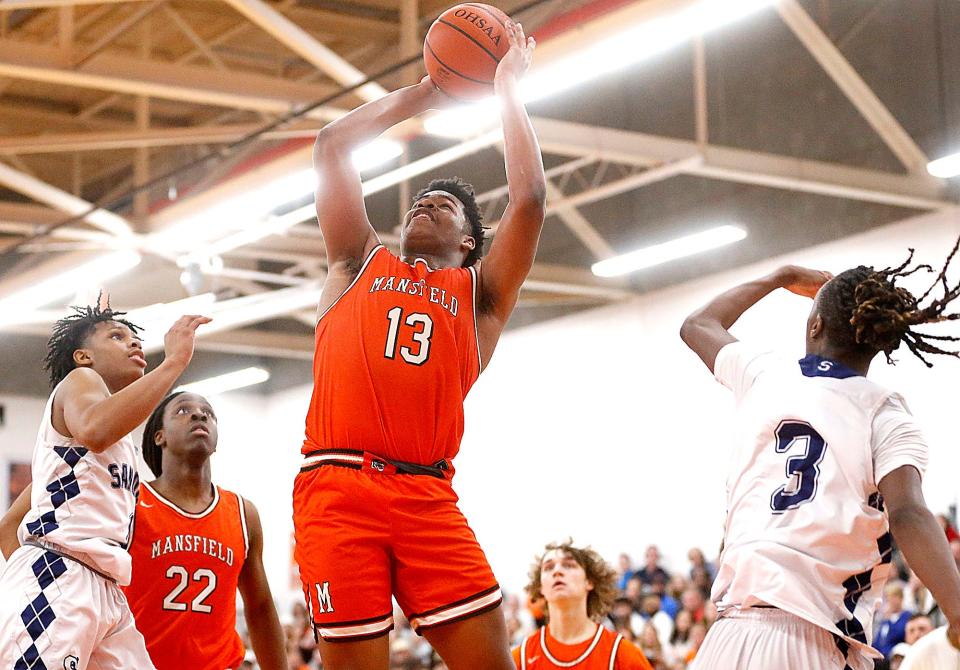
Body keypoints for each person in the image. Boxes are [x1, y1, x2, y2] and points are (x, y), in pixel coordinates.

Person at [294, 18, 546, 670]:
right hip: (338, 487)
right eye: (420, 200)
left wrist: (505, 88)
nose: (424, 204)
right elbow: (330, 147)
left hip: (429, 497)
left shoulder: (479, 297)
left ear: (468, 243)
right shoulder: (357, 262)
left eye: (445, 206)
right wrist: (428, 93)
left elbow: (530, 200)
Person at [679, 247, 960, 670]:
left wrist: (780, 274)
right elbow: (909, 515)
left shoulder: (763, 374)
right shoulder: (884, 411)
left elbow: (697, 324)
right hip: (814, 638)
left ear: (815, 324)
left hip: (728, 636)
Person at [0, 300, 209, 669]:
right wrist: (173, 362)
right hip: (59, 574)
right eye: (117, 336)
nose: (134, 344)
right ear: (83, 357)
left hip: (105, 587)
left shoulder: (111, 444)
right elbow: (95, 429)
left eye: (134, 338)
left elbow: (8, 525)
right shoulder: (81, 382)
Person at [123, 391, 286, 670]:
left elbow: (259, 609)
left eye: (208, 413)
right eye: (183, 411)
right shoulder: (129, 502)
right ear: (159, 436)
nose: (199, 415)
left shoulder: (243, 513)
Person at [513, 541, 653, 669]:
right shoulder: (521, 658)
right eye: (548, 567)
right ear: (541, 588)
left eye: (569, 565)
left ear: (589, 582)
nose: (557, 571)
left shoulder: (622, 655)